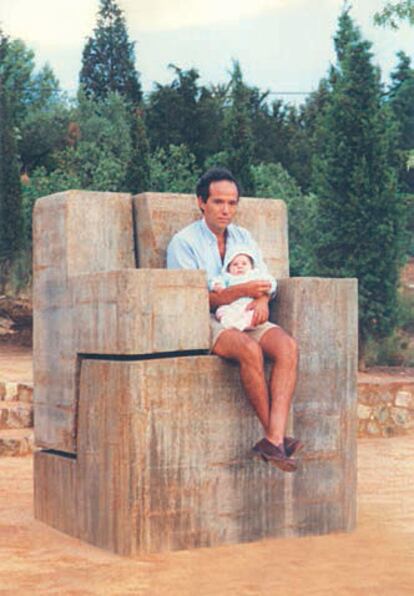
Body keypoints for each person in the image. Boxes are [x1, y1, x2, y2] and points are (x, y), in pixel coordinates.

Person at [167, 167, 301, 472]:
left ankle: (273, 439)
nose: (226, 210)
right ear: (201, 202)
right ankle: (276, 440)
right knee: (249, 350)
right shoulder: (183, 243)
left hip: (247, 311)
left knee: (288, 348)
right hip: (207, 319)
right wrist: (241, 290)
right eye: (218, 202)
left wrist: (262, 298)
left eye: (232, 203)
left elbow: (267, 279)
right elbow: (190, 298)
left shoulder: (243, 237)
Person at [209, 247, 276, 332]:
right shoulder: (228, 277)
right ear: (228, 268)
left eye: (244, 264)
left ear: (251, 266)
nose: (239, 266)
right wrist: (216, 285)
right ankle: (230, 323)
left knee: (251, 314)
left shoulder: (254, 274)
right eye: (235, 264)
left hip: (248, 305)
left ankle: (245, 324)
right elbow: (216, 280)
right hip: (231, 305)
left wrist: (270, 285)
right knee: (222, 311)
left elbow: (270, 280)